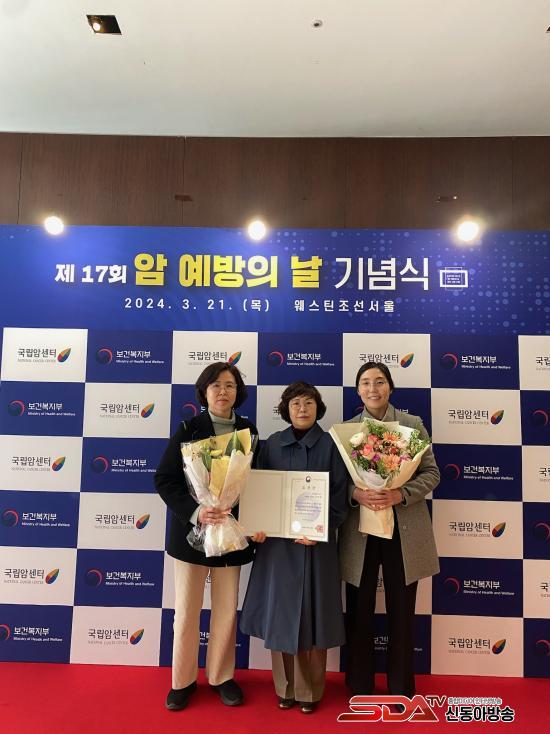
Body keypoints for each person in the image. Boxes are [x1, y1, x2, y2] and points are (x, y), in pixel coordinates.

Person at [240, 381, 348, 714]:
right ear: (286, 410)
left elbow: (341, 496)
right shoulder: (272, 444)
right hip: (278, 548)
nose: (302, 409)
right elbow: (257, 491)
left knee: (313, 618)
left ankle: (310, 691)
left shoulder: (331, 445)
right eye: (296, 403)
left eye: (309, 403)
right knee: (281, 616)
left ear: (318, 408)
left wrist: (322, 529)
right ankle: (284, 688)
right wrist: (256, 526)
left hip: (316, 547)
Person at [155, 361, 258, 711]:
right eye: (215, 385)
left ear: (237, 392)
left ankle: (221, 677)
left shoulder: (248, 431)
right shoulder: (188, 429)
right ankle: (182, 681)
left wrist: (251, 519)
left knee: (226, 610)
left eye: (229, 385)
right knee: (186, 612)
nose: (222, 391)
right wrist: (197, 511)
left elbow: (255, 484)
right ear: (204, 392)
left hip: (231, 535)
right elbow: (164, 479)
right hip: (191, 537)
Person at [338, 362, 439, 698]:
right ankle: (360, 684)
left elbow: (432, 473)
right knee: (358, 610)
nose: (373, 388)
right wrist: (355, 493)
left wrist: (400, 494)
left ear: (390, 388)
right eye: (366, 382)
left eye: (379, 382)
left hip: (403, 529)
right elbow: (336, 482)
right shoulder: (346, 431)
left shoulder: (412, 425)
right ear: (358, 391)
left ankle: (401, 687)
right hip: (361, 532)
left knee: (402, 610)